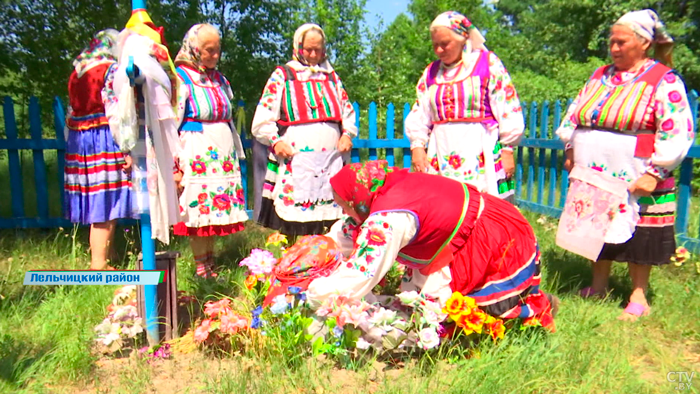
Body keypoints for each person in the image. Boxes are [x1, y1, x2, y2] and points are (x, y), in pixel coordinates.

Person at [555, 10, 694, 320]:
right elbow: (573, 116)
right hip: (593, 170)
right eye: (611, 41)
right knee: (594, 225)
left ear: (644, 43)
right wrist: (571, 146)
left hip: (637, 171)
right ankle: (599, 285)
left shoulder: (663, 80)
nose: (614, 48)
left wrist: (655, 172)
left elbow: (677, 131)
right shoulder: (599, 76)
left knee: (640, 231)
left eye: (621, 42)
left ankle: (638, 297)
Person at [306, 160, 558, 330]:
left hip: (490, 235)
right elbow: (347, 232)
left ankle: (536, 308)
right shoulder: (381, 187)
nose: (342, 210)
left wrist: (314, 293)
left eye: (343, 204)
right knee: (436, 309)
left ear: (356, 198)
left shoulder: (387, 219)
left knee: (482, 306)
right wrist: (317, 251)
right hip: (471, 222)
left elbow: (362, 272)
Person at [251, 23, 358, 237]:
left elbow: (347, 112)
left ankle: (329, 259)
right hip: (297, 159)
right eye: (308, 49)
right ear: (298, 47)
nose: (313, 54)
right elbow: (263, 116)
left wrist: (347, 134)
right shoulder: (283, 75)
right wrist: (276, 141)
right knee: (297, 215)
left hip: (331, 159)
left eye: (318, 49)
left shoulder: (331, 77)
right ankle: (297, 261)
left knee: (331, 214)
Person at [405, 11, 524, 202]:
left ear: (463, 39)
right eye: (435, 45)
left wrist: (508, 149)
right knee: (443, 205)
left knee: (482, 205)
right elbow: (421, 112)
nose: (439, 50)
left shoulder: (487, 64)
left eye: (444, 44)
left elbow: (507, 106)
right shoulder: (431, 73)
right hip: (440, 150)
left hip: (478, 148)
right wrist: (417, 147)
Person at [173, 24, 248, 278]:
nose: (215, 56)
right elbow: (171, 124)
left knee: (214, 213)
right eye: (209, 51)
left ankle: (211, 263)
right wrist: (175, 166)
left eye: (217, 50)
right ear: (194, 49)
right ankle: (201, 267)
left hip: (221, 151)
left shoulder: (220, 80)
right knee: (198, 210)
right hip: (196, 149)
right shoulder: (180, 79)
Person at [65, 29, 136, 270]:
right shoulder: (111, 70)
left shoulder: (78, 71)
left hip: (80, 138)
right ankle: (98, 264)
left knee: (96, 195)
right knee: (104, 199)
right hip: (104, 136)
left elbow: (70, 111)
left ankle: (109, 254)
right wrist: (126, 147)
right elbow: (117, 111)